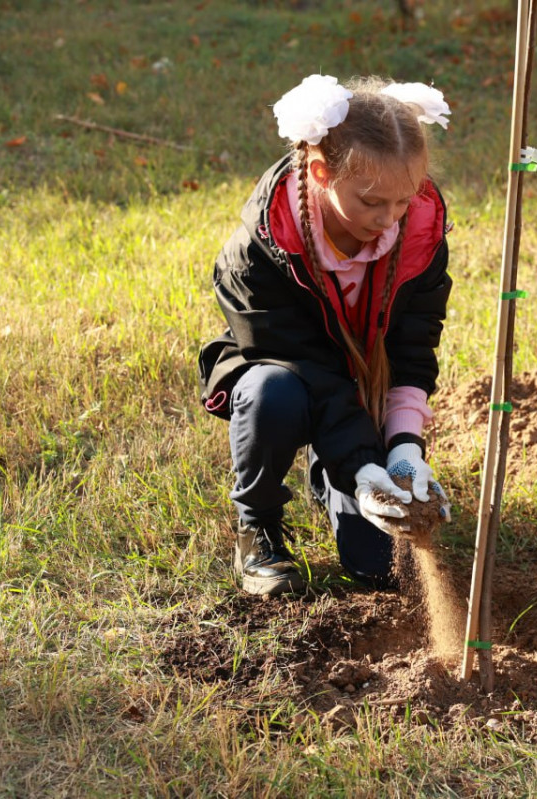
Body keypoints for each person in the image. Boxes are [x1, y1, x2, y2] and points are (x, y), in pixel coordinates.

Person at [199, 74, 453, 596]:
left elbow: (412, 347)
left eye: (404, 200)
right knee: (273, 393)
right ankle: (259, 527)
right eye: (372, 202)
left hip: (359, 393)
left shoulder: (418, 233)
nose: (389, 220)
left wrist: (404, 448)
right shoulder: (258, 253)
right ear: (320, 171)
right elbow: (307, 367)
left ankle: (331, 474)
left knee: (377, 569)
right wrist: (362, 464)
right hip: (289, 378)